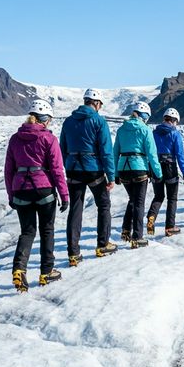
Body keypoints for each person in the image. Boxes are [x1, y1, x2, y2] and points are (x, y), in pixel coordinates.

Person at [4, 99, 69, 292]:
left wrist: (11, 194)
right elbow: (57, 169)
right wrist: (64, 195)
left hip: (21, 189)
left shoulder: (15, 138)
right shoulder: (48, 139)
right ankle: (46, 272)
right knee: (47, 230)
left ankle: (18, 269)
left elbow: (8, 170)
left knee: (27, 231)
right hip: (44, 189)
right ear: (46, 120)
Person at [60, 88, 117, 266]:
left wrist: (68, 165)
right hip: (94, 170)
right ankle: (102, 244)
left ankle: (73, 253)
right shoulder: (98, 121)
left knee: (76, 208)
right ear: (97, 103)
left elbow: (63, 147)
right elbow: (106, 151)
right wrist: (111, 176)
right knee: (104, 205)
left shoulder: (68, 121)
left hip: (73, 169)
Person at [113, 102, 162, 248]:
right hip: (139, 167)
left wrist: (116, 173)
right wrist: (158, 174)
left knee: (132, 200)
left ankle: (125, 230)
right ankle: (137, 237)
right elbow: (152, 154)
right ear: (144, 116)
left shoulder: (121, 129)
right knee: (139, 203)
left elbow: (115, 152)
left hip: (123, 168)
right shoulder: (145, 129)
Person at [146, 107, 184, 236]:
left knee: (158, 196)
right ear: (174, 120)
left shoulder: (154, 133)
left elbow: (150, 153)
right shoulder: (175, 134)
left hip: (156, 167)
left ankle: (151, 217)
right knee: (172, 198)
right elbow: (180, 155)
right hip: (170, 167)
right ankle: (170, 227)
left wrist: (149, 169)